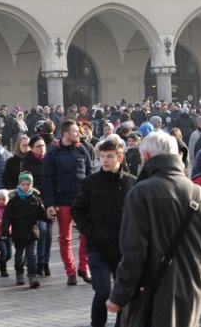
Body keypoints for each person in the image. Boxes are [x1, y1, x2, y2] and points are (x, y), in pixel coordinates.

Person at [105, 131, 201, 327]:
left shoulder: (141, 193)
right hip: (193, 289)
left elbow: (133, 251)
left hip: (152, 292)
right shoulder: (200, 195)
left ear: (146, 157)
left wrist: (119, 295)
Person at [72, 140, 136, 327]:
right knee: (104, 292)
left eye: (110, 156)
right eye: (102, 156)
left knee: (123, 293)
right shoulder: (90, 182)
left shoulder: (131, 182)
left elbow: (140, 212)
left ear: (120, 157)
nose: (105, 160)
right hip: (97, 248)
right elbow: (77, 210)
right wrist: (91, 231)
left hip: (123, 249)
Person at [42, 120, 93, 285]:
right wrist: (50, 204)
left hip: (82, 202)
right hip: (63, 201)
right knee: (66, 238)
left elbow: (90, 173)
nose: (79, 133)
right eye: (76, 131)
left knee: (87, 235)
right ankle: (70, 272)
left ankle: (84, 268)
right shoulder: (53, 154)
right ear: (65, 134)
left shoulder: (82, 149)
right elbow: (47, 181)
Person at [1, 171, 49, 289]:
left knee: (32, 255)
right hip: (18, 233)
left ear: (31, 185)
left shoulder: (35, 198)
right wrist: (5, 229)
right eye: (23, 184)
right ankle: (19, 272)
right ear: (19, 185)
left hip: (32, 232)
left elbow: (41, 214)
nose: (26, 187)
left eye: (28, 184)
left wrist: (49, 217)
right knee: (19, 255)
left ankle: (32, 276)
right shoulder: (13, 200)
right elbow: (7, 216)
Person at [21, 134, 52, 277]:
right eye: (38, 146)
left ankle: (45, 263)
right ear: (32, 148)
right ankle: (39, 263)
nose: (41, 149)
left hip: (50, 199)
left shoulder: (50, 159)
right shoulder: (27, 162)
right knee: (42, 230)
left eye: (43, 146)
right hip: (35, 200)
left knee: (49, 234)